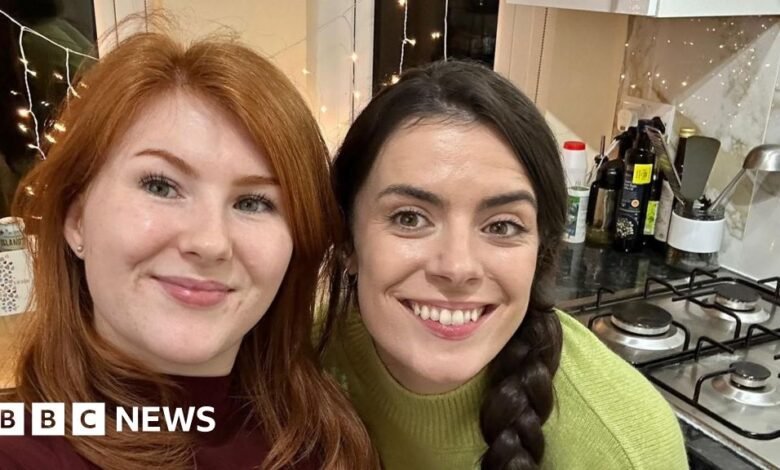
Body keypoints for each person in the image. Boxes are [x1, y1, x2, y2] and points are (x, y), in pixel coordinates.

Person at [0, 31, 378, 470]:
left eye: (253, 203)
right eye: (160, 186)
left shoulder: (327, 440)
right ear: (76, 218)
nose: (209, 242)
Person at [320, 60, 688, 470]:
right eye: (409, 218)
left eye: (501, 225)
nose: (458, 267)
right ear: (347, 239)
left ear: (541, 250)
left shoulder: (630, 450)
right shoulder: (294, 361)